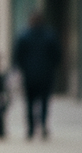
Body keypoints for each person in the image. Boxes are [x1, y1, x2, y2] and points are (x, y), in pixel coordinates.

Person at [14, 12, 61, 140]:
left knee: (29, 103)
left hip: (30, 75)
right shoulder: (49, 36)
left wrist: (22, 69)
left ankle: (30, 129)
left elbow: (18, 56)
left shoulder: (24, 36)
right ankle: (43, 125)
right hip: (46, 75)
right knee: (44, 102)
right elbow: (57, 55)